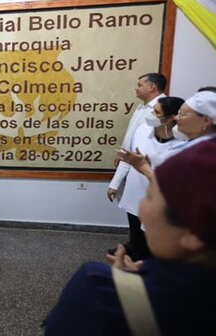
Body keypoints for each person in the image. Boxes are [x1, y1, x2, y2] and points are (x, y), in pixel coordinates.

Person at [44, 138, 216, 335]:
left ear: (194, 234)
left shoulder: (99, 289)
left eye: (150, 197)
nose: (141, 211)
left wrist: (128, 289)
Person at [110, 96, 184, 260]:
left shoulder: (184, 142)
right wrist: (115, 183)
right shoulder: (143, 129)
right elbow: (129, 156)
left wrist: (146, 169)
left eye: (156, 112)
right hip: (135, 193)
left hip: (160, 199)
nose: (151, 114)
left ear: (172, 118)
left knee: (156, 246)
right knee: (137, 238)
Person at [106, 73, 166, 258]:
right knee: (134, 214)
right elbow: (132, 136)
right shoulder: (142, 108)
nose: (136, 88)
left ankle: (141, 256)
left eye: (140, 84)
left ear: (152, 87)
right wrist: (123, 153)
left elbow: (145, 146)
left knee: (144, 219)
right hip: (133, 168)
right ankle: (134, 247)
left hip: (147, 174)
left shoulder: (162, 110)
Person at [118, 90, 216, 180]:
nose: (177, 118)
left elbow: (176, 186)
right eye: (179, 113)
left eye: (183, 114)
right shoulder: (142, 130)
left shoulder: (201, 152)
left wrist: (143, 167)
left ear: (206, 120)